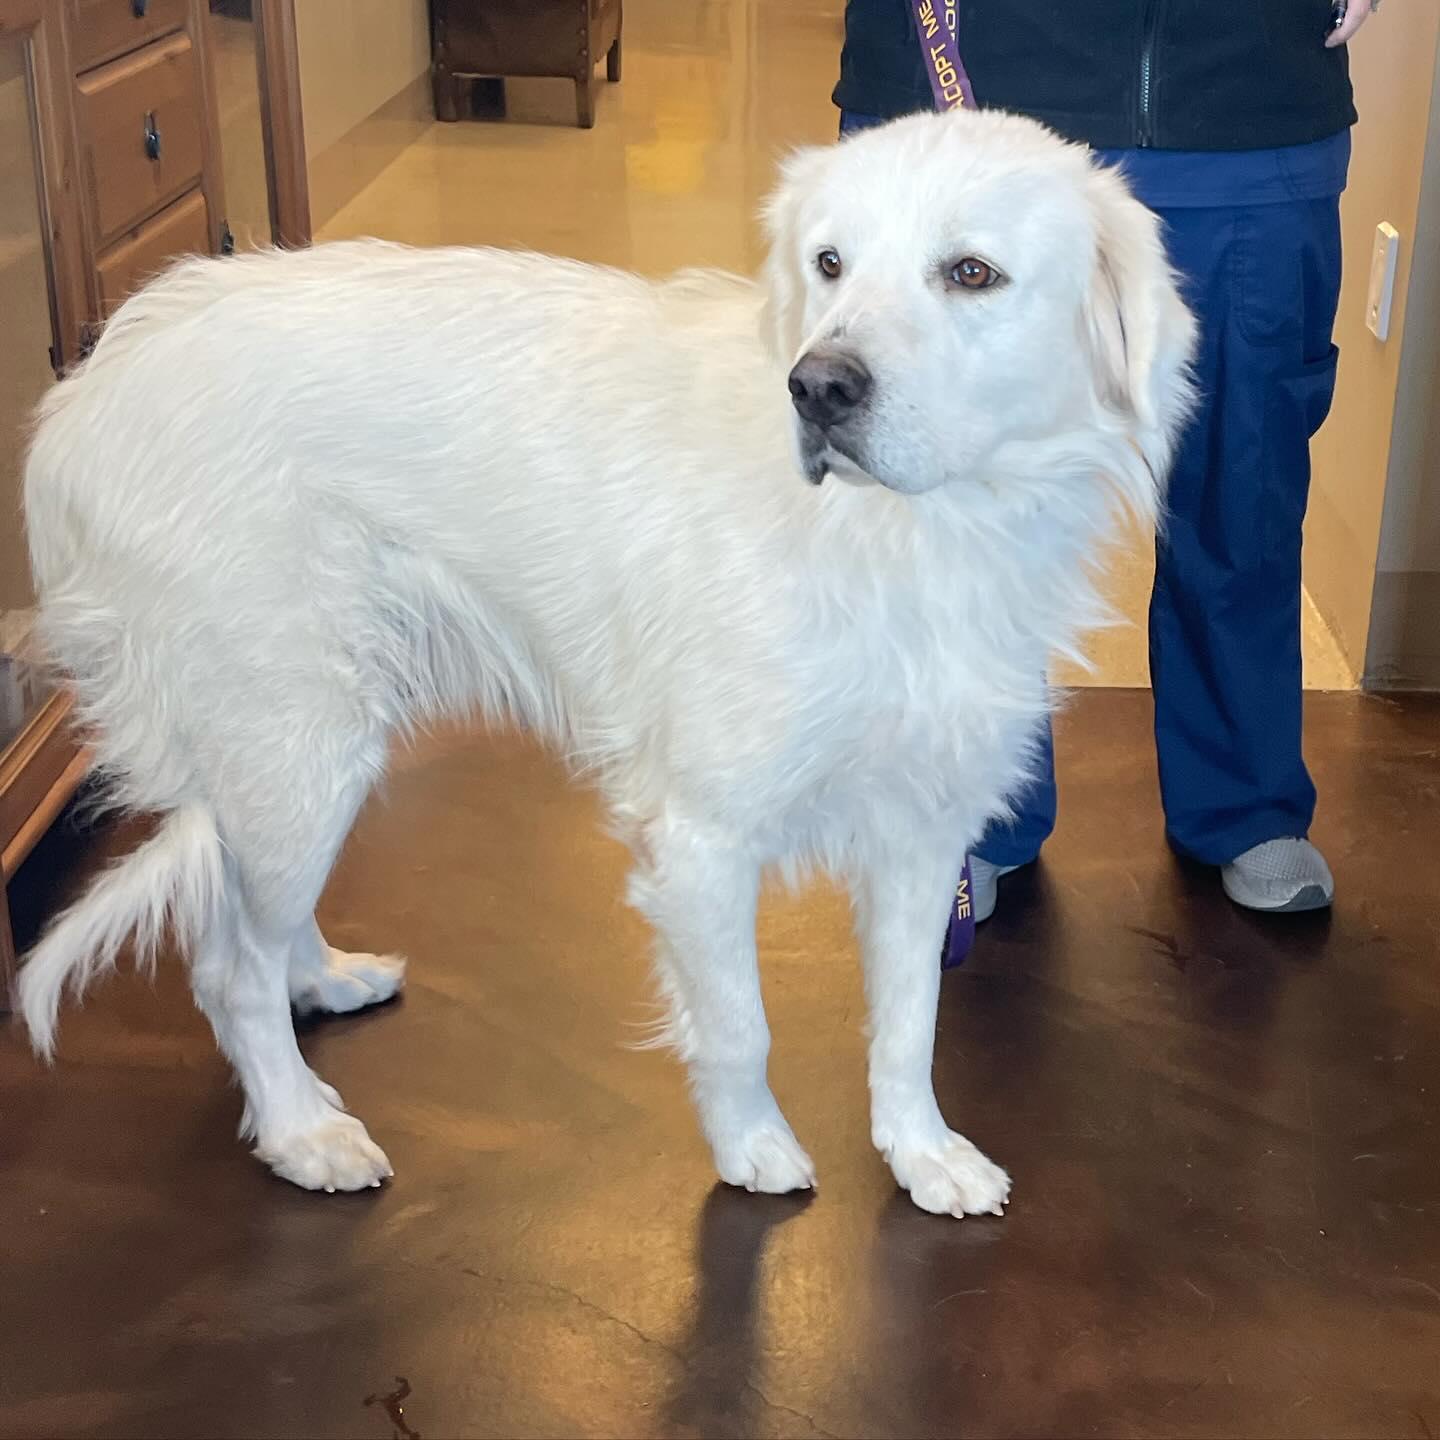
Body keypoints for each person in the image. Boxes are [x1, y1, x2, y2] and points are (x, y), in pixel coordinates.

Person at [835, 0, 1377, 919]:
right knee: (965, 511)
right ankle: (968, 816)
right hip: (969, 95)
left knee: (1242, 489)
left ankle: (1244, 801)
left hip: (1245, 108)